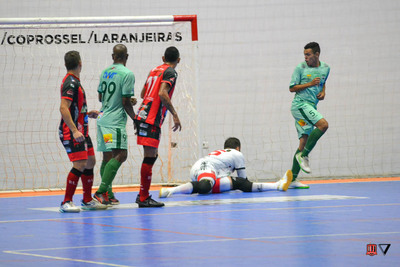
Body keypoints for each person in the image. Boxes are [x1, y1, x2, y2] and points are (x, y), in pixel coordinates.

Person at [159, 137, 293, 198]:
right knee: (206, 185)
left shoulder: (222, 155)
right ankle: (170, 191)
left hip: (202, 170)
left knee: (230, 184)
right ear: (238, 148)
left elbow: (241, 183)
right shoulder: (237, 154)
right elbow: (244, 179)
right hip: (206, 168)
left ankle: (278, 185)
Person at [58, 51, 107, 212]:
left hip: (82, 130)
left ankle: (86, 200)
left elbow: (73, 108)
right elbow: (63, 108)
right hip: (73, 131)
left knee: (91, 161)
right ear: (80, 63)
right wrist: (74, 130)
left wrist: (87, 114)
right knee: (79, 163)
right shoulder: (70, 83)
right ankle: (66, 202)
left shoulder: (75, 82)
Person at [134, 46, 182, 208]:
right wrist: (175, 114)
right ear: (178, 60)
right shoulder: (171, 72)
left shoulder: (154, 70)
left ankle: (142, 194)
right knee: (150, 156)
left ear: (163, 58)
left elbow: (142, 94)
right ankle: (143, 197)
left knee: (151, 156)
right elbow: (162, 93)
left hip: (142, 115)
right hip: (151, 118)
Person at [93, 44, 136, 205]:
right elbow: (125, 103)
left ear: (113, 57)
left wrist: (126, 99)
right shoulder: (127, 74)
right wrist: (136, 118)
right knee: (121, 155)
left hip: (103, 119)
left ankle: (108, 194)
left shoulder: (105, 72)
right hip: (115, 121)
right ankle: (100, 191)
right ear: (127, 56)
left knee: (108, 156)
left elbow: (100, 97)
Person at [288, 42, 330, 189]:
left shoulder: (326, 68)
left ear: (317, 54)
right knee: (323, 125)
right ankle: (303, 156)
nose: (305, 57)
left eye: (308, 55)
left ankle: (291, 180)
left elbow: (323, 82)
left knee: (303, 142)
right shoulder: (300, 68)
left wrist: (323, 92)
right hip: (300, 105)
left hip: (310, 106)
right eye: (304, 55)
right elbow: (292, 88)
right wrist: (311, 84)